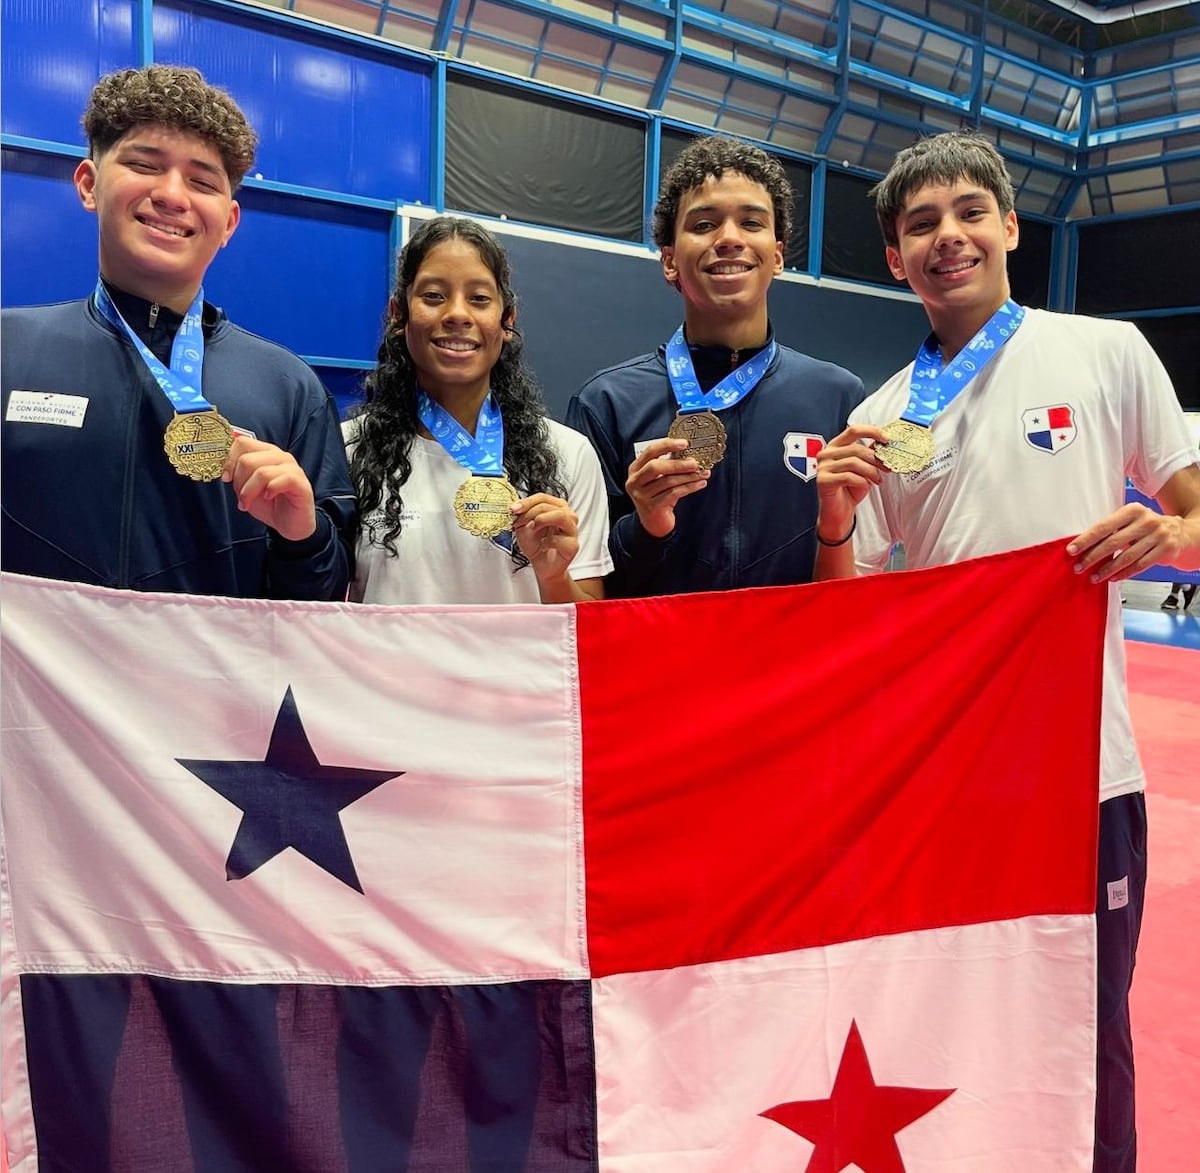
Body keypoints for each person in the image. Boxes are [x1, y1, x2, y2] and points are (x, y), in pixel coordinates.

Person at [813, 129, 1200, 1173]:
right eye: (922, 224)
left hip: (1084, 773)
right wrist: (837, 518)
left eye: (968, 213)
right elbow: (857, 621)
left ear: (1010, 226)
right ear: (894, 257)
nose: (950, 237)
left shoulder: (1105, 350)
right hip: (946, 779)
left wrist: (1173, 537)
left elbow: (1195, 509)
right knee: (956, 1021)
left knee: (1091, 1020)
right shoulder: (881, 417)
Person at [1, 65, 354, 599]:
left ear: (229, 222)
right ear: (89, 184)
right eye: (145, 165)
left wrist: (303, 537)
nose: (172, 195)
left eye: (202, 181)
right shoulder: (9, 350)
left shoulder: (289, 389)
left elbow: (322, 601)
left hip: (212, 683)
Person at [566, 135, 865, 597]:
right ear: (670, 260)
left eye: (751, 222)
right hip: (661, 666)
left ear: (778, 256)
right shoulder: (607, 404)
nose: (729, 239)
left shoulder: (837, 396)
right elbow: (591, 590)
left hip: (795, 666)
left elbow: (856, 573)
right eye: (704, 224)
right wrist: (644, 528)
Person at [344, 215, 611, 604]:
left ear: (507, 321)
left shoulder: (569, 455)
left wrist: (552, 576)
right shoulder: (348, 450)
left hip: (521, 666)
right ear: (399, 314)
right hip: (387, 667)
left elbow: (588, 630)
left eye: (480, 299)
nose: (457, 314)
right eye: (434, 296)